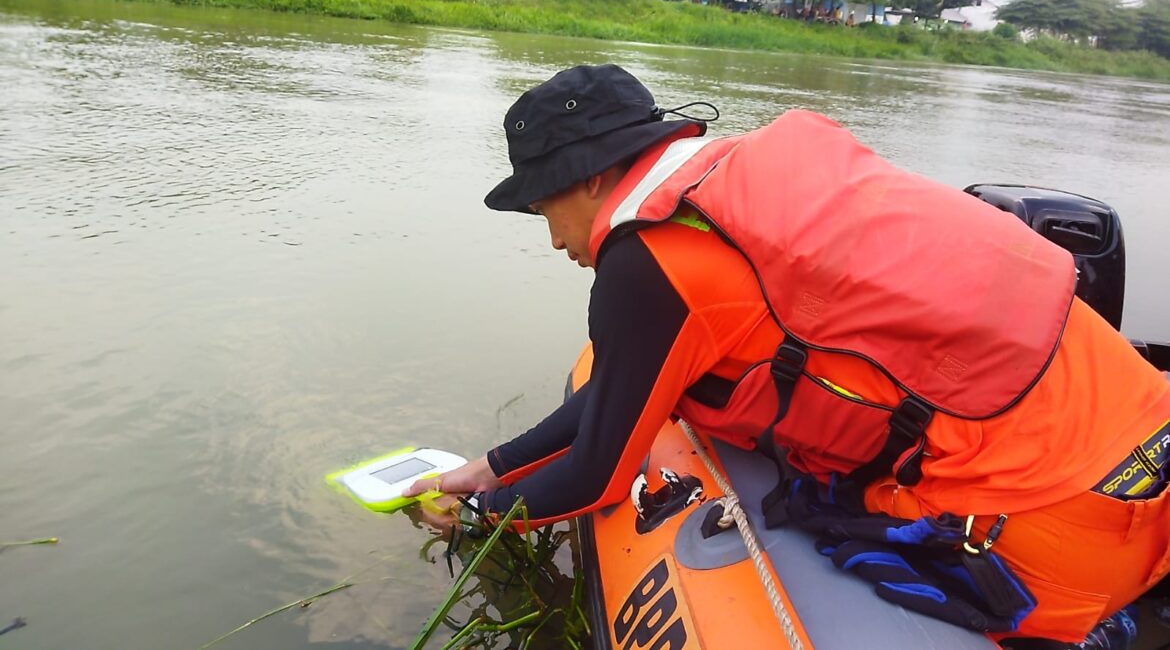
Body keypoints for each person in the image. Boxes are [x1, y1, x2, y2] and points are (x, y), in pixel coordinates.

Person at [404, 64, 1170, 645]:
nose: (554, 240)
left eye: (545, 208)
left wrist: (477, 516)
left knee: (822, 514)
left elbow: (600, 474)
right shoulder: (725, 191)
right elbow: (614, 391)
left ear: (594, 178)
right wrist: (492, 466)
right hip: (1146, 446)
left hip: (1062, 526)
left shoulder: (647, 267)